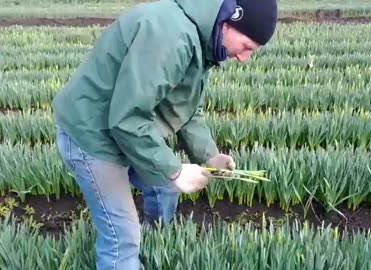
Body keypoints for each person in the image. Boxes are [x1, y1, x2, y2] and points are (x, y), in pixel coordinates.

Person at [51, 0, 277, 268]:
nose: (243, 57)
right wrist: (176, 169)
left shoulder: (202, 38)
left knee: (163, 186)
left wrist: (209, 156)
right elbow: (128, 119)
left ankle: (158, 244)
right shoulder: (171, 38)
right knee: (121, 236)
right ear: (228, 23)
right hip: (92, 134)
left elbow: (186, 107)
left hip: (123, 126)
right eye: (247, 47)